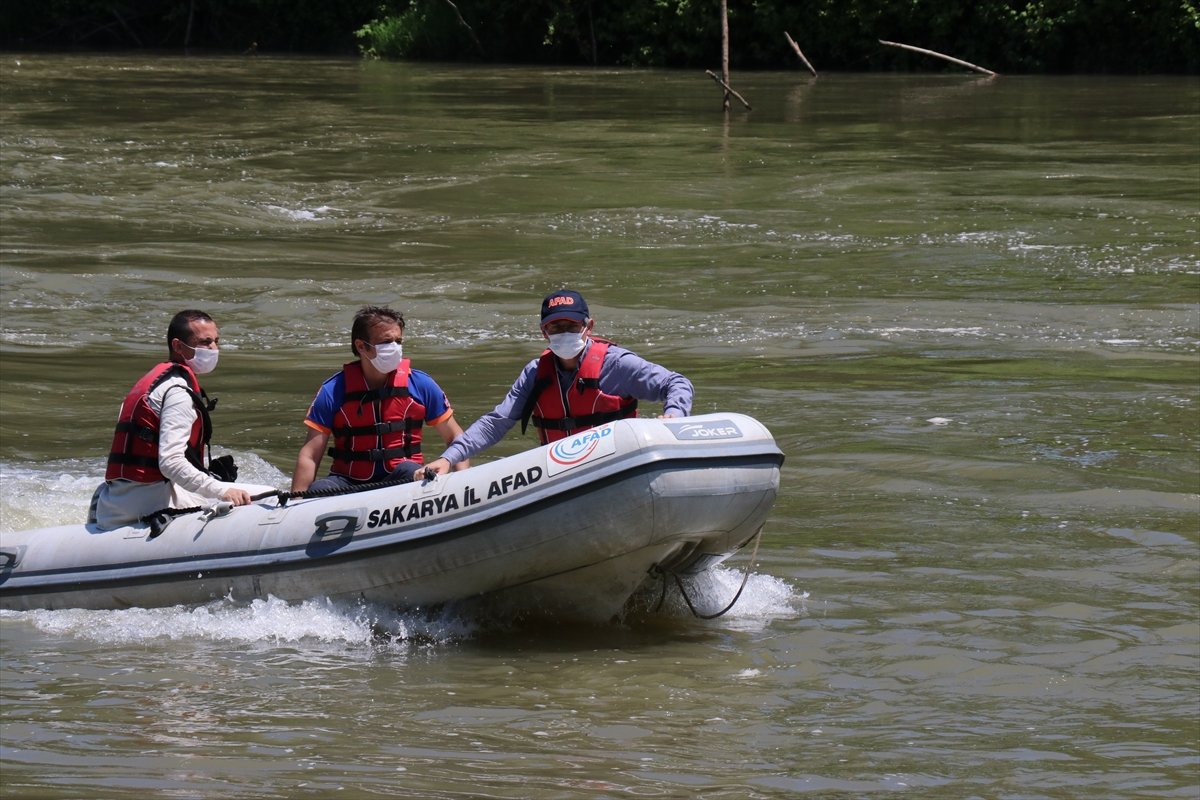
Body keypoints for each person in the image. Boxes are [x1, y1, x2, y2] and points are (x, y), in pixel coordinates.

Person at [416, 289, 693, 479]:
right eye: (555, 327)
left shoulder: (616, 365)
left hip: (615, 467)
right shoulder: (535, 373)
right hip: (560, 476)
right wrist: (449, 457)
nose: (564, 333)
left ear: (588, 326)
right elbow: (497, 422)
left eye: (571, 326)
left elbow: (676, 383)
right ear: (543, 332)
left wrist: (674, 415)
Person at [92, 309, 273, 530]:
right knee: (272, 496)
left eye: (216, 341)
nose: (213, 349)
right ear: (178, 346)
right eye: (205, 342)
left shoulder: (152, 383)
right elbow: (171, 462)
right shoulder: (177, 391)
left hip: (117, 501)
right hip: (150, 503)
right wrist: (221, 490)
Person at [291, 305, 469, 493]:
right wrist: (295, 502)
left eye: (398, 341)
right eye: (386, 342)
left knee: (411, 471)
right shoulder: (332, 391)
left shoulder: (420, 384)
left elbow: (454, 437)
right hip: (347, 481)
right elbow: (310, 455)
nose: (394, 348)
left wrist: (464, 485)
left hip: (405, 476)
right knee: (320, 489)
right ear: (361, 346)